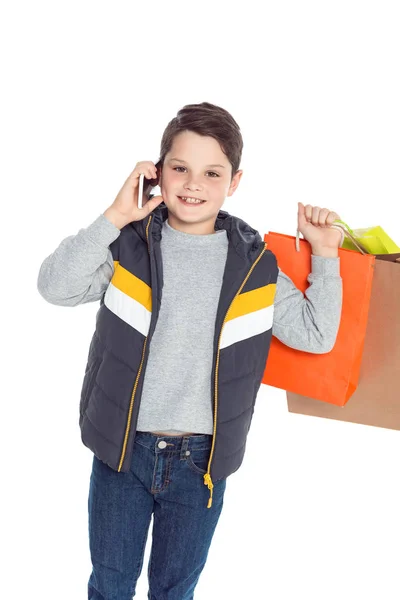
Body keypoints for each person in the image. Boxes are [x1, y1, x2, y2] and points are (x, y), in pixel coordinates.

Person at [37, 102, 343, 600]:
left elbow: (315, 334)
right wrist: (115, 215)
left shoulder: (256, 265)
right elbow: (55, 287)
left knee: (174, 591)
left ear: (234, 181)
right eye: (180, 168)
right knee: (110, 585)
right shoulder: (128, 246)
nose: (193, 183)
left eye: (211, 172)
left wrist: (325, 255)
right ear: (158, 172)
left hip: (201, 462)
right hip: (122, 449)